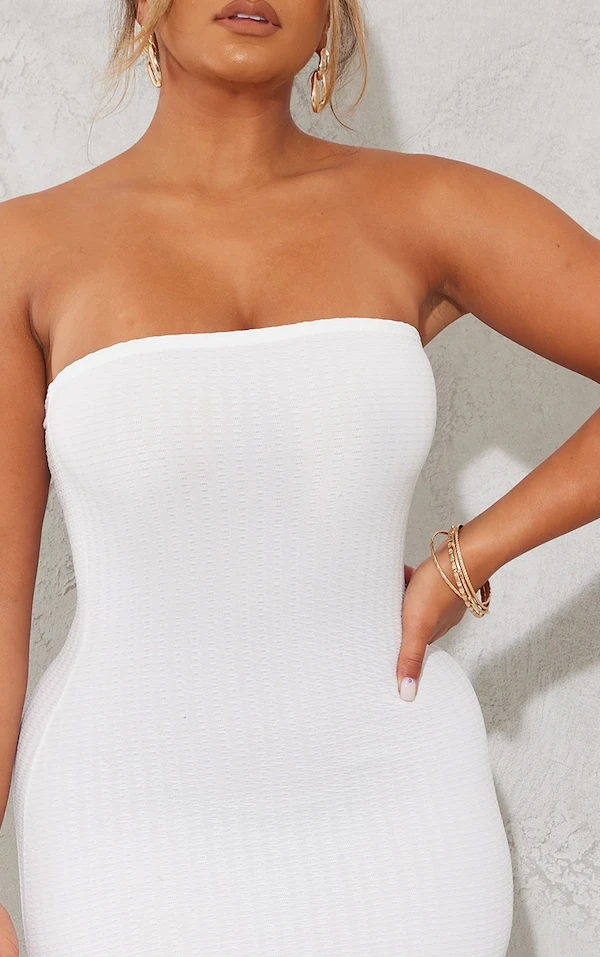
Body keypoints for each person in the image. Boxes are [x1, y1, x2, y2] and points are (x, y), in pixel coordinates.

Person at [1, 1, 599, 954]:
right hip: (123, 812)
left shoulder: (422, 210)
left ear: (333, 19)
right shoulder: (24, 250)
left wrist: (469, 557)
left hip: (398, 803)